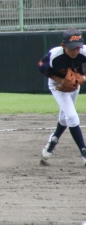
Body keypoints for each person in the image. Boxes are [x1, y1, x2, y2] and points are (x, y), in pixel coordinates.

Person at [38, 28, 86, 164]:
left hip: (74, 85)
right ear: (63, 45)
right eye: (72, 48)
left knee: (66, 118)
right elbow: (41, 67)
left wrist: (83, 77)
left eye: (78, 47)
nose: (75, 51)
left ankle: (53, 140)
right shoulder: (55, 54)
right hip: (57, 86)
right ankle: (84, 151)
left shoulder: (84, 52)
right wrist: (60, 80)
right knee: (72, 117)